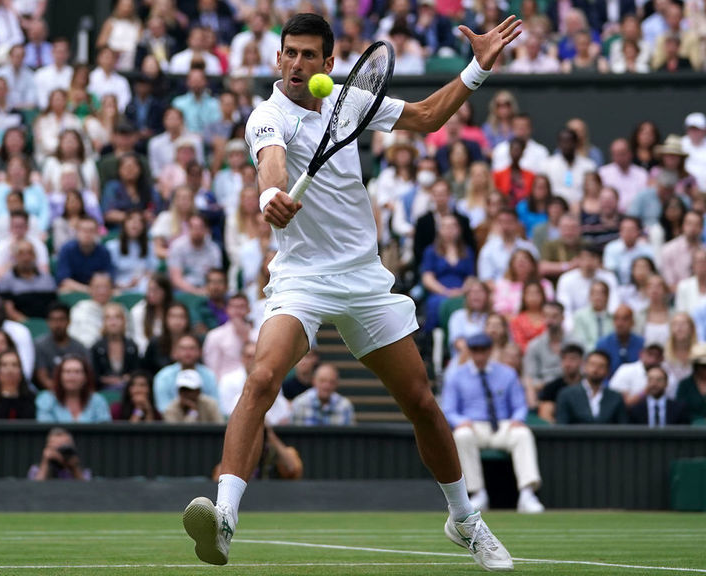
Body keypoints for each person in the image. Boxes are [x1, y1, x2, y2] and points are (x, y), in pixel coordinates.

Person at [183, 13, 522, 571]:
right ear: (277, 59)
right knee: (263, 376)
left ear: (328, 63)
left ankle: (464, 520)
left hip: (364, 276)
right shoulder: (267, 116)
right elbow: (270, 169)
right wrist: (271, 198)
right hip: (303, 277)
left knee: (420, 402)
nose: (296, 64)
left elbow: (428, 118)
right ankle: (224, 517)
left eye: (308, 55)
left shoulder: (348, 102)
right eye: (288, 53)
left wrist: (478, 66)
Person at [441, 333, 544, 514]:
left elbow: (519, 405)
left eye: (483, 350)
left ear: (490, 351)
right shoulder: (456, 376)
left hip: (503, 425)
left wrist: (518, 420)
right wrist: (461, 421)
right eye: (475, 350)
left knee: (523, 434)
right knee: (461, 435)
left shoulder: (507, 373)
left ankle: (527, 494)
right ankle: (478, 494)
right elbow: (449, 410)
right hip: (473, 426)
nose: (479, 355)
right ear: (469, 351)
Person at [220, 341, 291, 425]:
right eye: (248, 356)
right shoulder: (228, 381)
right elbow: (226, 414)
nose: (252, 360)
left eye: (255, 356)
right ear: (242, 358)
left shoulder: (273, 381)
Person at [556, 350, 627, 424]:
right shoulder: (566, 394)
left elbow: (622, 426)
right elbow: (562, 424)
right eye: (592, 364)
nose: (595, 369)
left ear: (608, 371)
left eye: (601, 366)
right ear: (584, 366)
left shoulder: (615, 397)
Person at [153, 332, 219, 412]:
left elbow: (216, 407)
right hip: (172, 421)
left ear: (200, 352)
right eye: (183, 348)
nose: (187, 352)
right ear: (174, 352)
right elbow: (163, 408)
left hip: (204, 421)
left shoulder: (209, 375)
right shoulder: (163, 376)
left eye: (192, 348)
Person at [35, 355, 111, 423]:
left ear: (85, 377)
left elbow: (104, 431)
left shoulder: (97, 401)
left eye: (77, 372)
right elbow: (45, 430)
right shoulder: (46, 399)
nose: (72, 376)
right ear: (59, 376)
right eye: (67, 372)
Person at [34, 302, 89, 391]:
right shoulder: (40, 346)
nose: (57, 324)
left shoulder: (80, 347)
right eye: (53, 320)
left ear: (69, 321)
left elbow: (87, 376)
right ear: (48, 322)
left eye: (61, 319)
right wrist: (63, 394)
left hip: (77, 392)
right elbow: (42, 377)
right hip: (50, 393)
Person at [202, 294, 253, 382]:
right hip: (225, 385)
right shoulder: (214, 335)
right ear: (227, 309)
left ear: (249, 310)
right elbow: (211, 367)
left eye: (242, 307)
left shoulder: (259, 334)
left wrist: (246, 339)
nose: (237, 311)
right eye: (234, 307)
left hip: (253, 382)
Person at [90, 302, 140, 392]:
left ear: (124, 321)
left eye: (117, 317)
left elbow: (136, 372)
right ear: (103, 322)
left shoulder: (132, 346)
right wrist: (108, 380)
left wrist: (127, 378)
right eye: (108, 318)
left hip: (128, 391)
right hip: (102, 391)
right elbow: (93, 375)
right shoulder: (96, 347)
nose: (113, 322)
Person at [290, 363, 356, 426]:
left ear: (337, 384)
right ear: (314, 381)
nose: (326, 386)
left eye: (331, 382)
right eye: (322, 381)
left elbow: (351, 436)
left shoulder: (345, 406)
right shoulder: (300, 403)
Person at [537, 342, 584, 423]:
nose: (567, 364)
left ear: (581, 361)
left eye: (572, 359)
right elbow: (545, 416)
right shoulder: (551, 388)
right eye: (564, 359)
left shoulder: (589, 385)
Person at [596, 304, 645, 376]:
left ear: (633, 322)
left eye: (625, 319)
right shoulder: (603, 344)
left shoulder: (641, 343)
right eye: (616, 319)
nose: (620, 323)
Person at [569, 280, 614, 352]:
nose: (598, 296)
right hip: (588, 357)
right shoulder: (580, 316)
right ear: (589, 296)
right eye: (595, 293)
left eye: (601, 293)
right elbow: (581, 342)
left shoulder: (613, 318)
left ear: (607, 296)